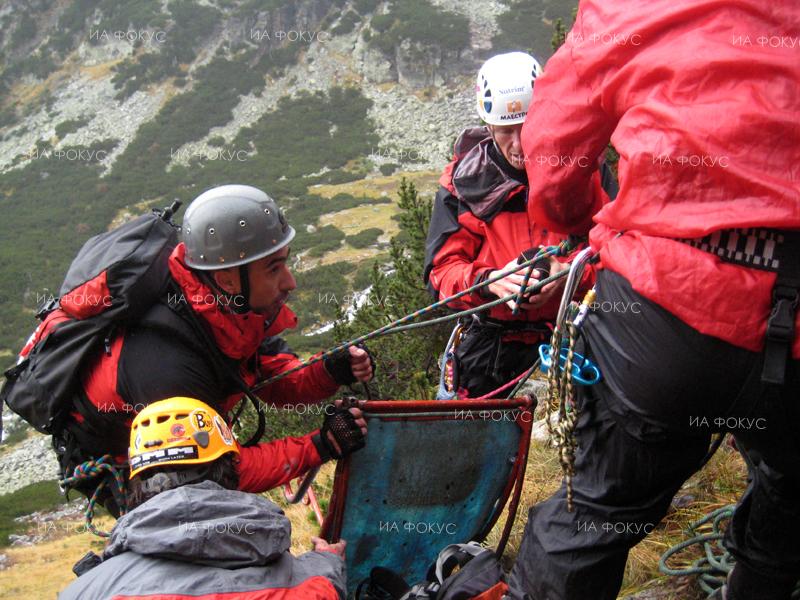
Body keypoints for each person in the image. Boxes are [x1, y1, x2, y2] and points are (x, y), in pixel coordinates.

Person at [507, 2, 800, 599]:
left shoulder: (633, 7)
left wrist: (588, 225)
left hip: (665, 315)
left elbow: (555, 153)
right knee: (793, 484)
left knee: (596, 511)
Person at [58, 184, 373, 509]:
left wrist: (329, 371)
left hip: (190, 447)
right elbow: (219, 473)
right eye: (274, 269)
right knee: (197, 527)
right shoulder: (168, 365)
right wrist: (322, 445)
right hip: (134, 468)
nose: (289, 282)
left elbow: (271, 375)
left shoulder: (230, 308)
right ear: (226, 279)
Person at [423, 52, 616, 398]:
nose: (518, 145)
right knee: (468, 440)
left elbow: (621, 252)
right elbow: (441, 275)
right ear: (488, 127)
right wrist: (490, 282)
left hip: (577, 329)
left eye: (526, 128)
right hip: (490, 342)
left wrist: (567, 275)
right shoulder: (464, 184)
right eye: (504, 131)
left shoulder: (587, 171)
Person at [59, 397, 349, 599]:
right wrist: (327, 564)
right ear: (229, 470)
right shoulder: (310, 584)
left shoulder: (85, 592)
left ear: (138, 483)